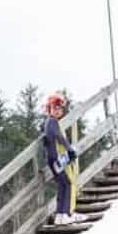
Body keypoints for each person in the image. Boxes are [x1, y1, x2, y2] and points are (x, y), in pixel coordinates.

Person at [42, 92, 86, 225]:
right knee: (68, 183)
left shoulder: (48, 122)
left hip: (53, 159)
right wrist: (70, 149)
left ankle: (60, 215)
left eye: (59, 108)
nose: (57, 111)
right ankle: (66, 213)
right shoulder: (52, 122)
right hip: (57, 159)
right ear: (49, 108)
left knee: (62, 185)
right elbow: (59, 138)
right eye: (54, 108)